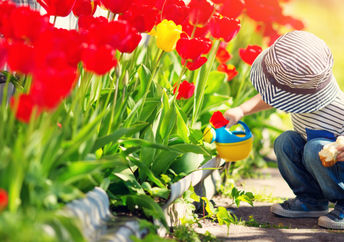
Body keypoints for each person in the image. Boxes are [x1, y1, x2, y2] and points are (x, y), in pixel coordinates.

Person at [224, 30, 344, 230]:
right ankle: (311, 199)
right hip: (314, 159)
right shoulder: (303, 88)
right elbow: (269, 98)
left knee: (314, 148)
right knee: (285, 142)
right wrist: (242, 110)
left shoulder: (337, 106)